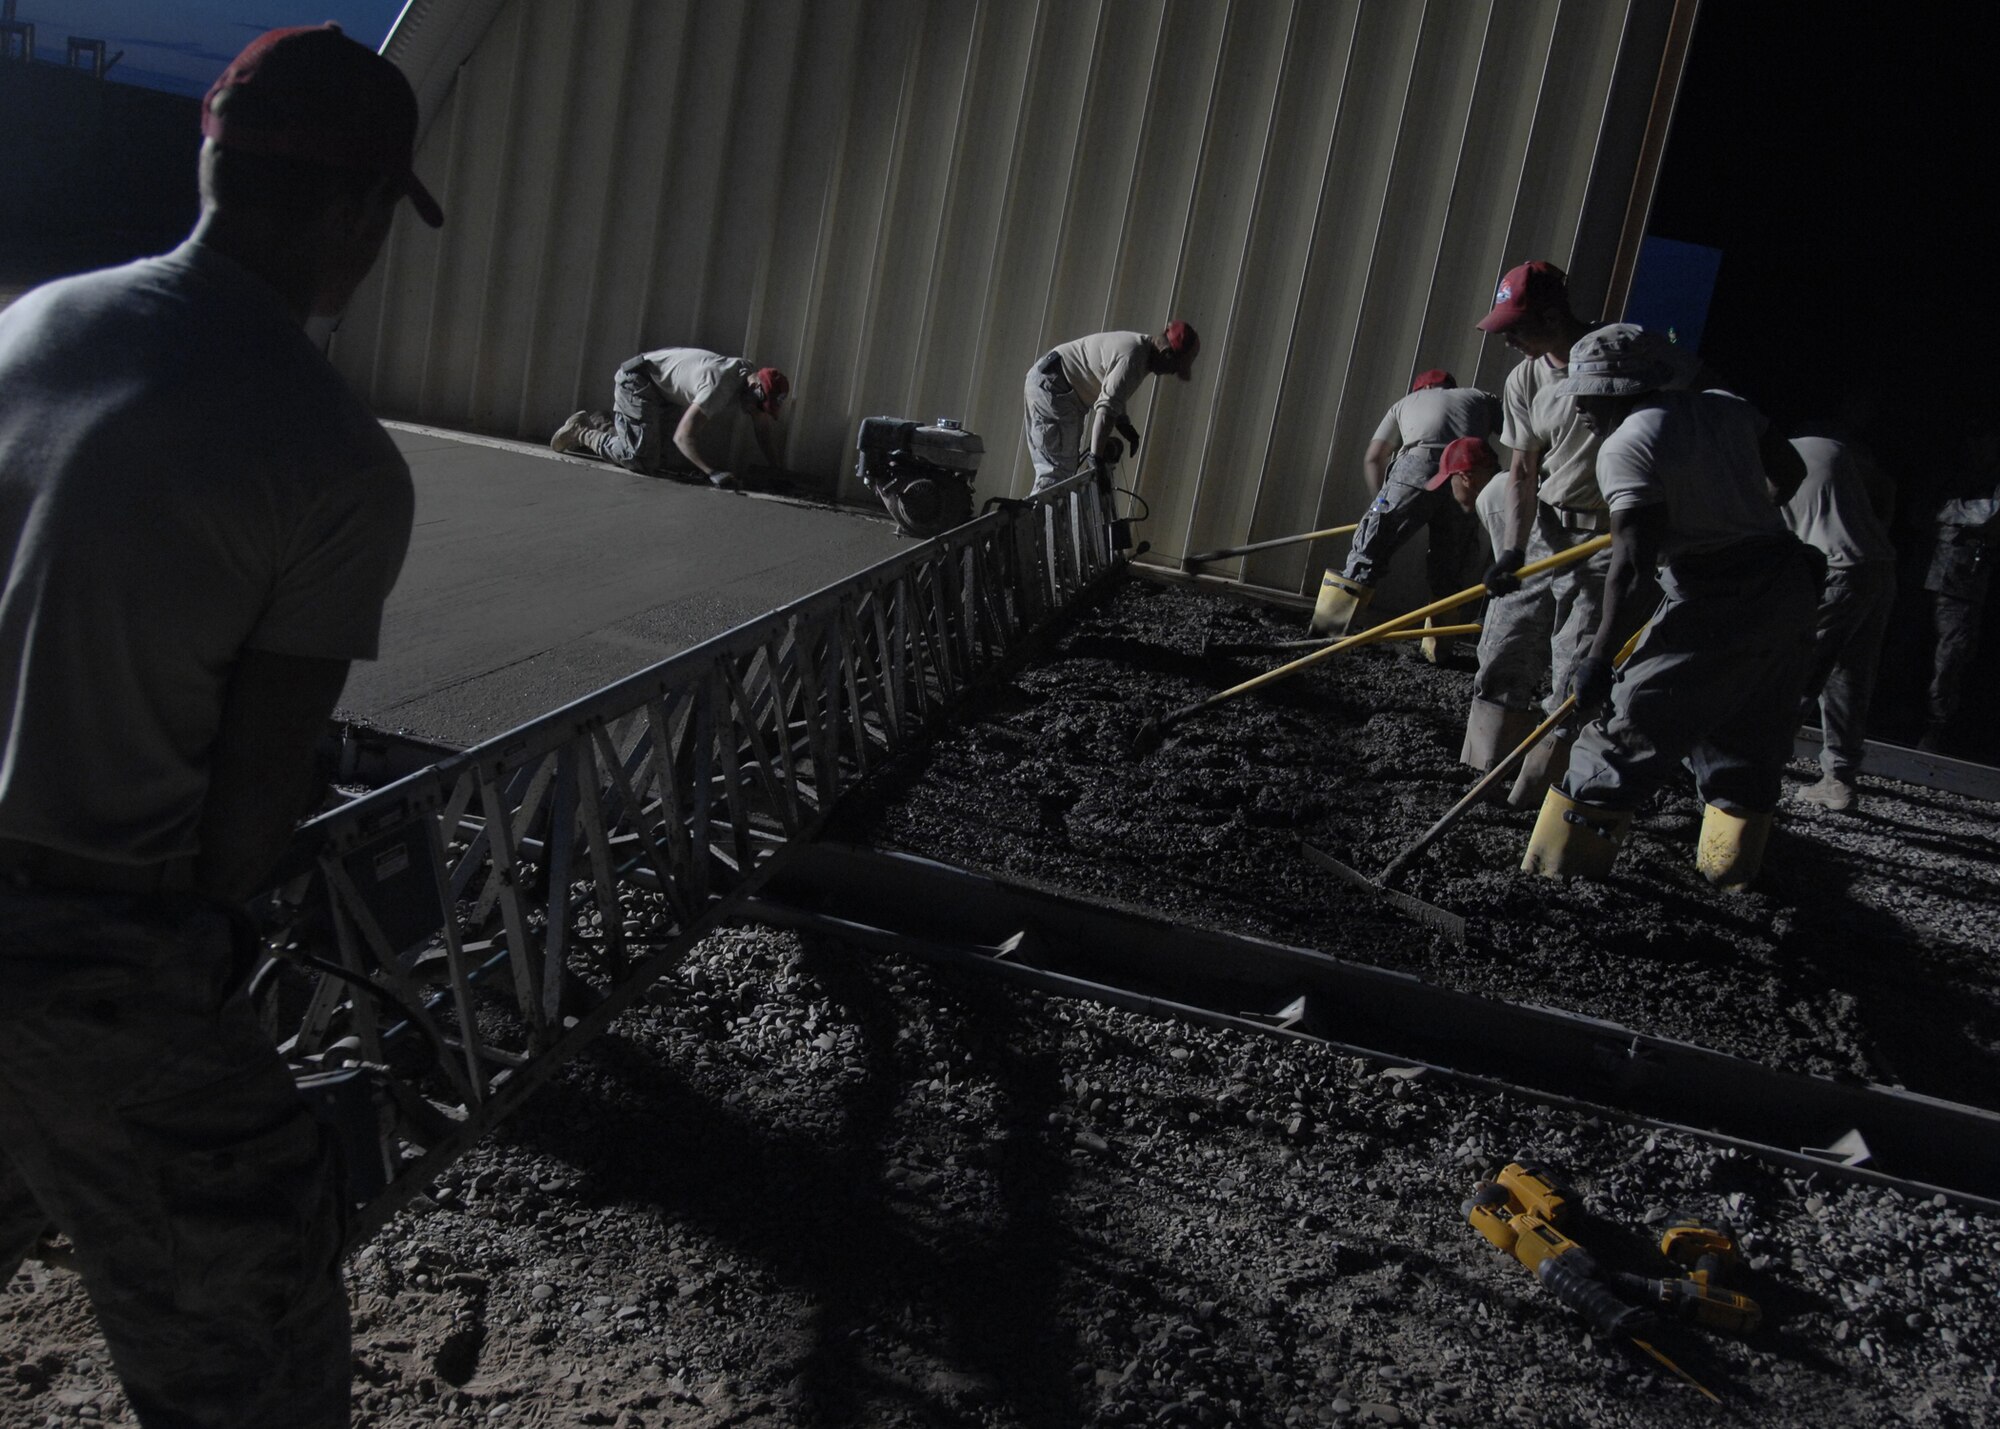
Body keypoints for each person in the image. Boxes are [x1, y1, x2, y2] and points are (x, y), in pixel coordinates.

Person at [0, 23, 432, 1426]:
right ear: (361, 212)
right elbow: (245, 821)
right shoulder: (333, 460)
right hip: (90, 956)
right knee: (251, 1356)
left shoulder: (26, 326)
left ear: (211, 160)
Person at [1519, 325, 1815, 891]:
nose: (1579, 406)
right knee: (1746, 738)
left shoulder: (1627, 445)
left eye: (1589, 394)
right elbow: (1791, 474)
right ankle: (1730, 880)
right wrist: (1733, 511)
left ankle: (1553, 886)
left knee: (1618, 736)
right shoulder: (1728, 409)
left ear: (1623, 389)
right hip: (1786, 585)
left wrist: (1599, 660)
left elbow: (1629, 573)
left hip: (1715, 596)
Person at [1472, 262, 1708, 807]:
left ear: (1553, 315)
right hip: (1546, 528)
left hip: (1609, 535)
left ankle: (1535, 801)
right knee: (1502, 650)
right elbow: (1523, 472)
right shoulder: (1525, 379)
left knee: (1574, 677)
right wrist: (1510, 549)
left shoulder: (1625, 353)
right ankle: (1481, 781)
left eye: (1516, 328)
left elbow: (1701, 394)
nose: (1507, 341)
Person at [1310, 371, 1502, 643]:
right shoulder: (1479, 397)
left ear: (1422, 388)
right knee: (1451, 566)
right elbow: (1521, 434)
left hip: (1416, 468)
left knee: (1369, 552)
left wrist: (1380, 508)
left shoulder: (1406, 403)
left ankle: (1326, 635)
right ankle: (1437, 648)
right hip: (1467, 473)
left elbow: (1374, 458)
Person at [1781, 433, 1899, 809]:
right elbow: (1886, 489)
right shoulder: (1829, 448)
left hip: (1834, 571)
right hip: (1876, 565)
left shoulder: (1763, 465)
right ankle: (1839, 779)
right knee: (1849, 677)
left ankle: (1755, 774)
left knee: (1795, 674)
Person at [552, 347, 789, 487]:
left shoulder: (747, 374)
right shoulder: (719, 387)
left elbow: (762, 427)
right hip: (638, 381)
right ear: (754, 388)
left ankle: (602, 422)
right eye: (760, 406)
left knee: (666, 461)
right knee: (641, 459)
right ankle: (580, 431)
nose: (758, 413)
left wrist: (777, 470)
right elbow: (683, 436)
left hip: (663, 393)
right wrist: (712, 473)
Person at [1023, 323, 1199, 492]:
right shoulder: (1133, 358)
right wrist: (1096, 461)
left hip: (1055, 383)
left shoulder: (1141, 349)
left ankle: (1036, 518)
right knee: (1058, 475)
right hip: (1054, 387)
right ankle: (1029, 521)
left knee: (1062, 474)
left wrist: (1123, 423)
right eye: (1175, 369)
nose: (1171, 374)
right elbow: (1106, 410)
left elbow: (1114, 393)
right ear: (1167, 354)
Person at [1918, 438, 2000, 752]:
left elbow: (1988, 515)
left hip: (1963, 581)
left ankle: (1935, 727)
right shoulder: (1949, 475)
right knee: (1911, 645)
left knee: (1950, 656)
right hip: (1928, 572)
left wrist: (1946, 511)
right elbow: (1918, 510)